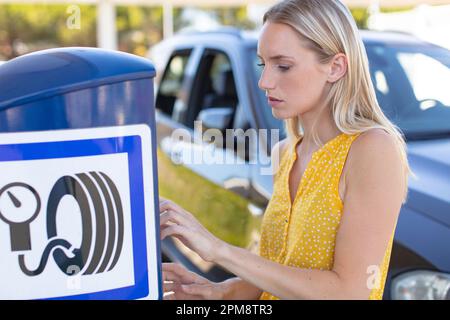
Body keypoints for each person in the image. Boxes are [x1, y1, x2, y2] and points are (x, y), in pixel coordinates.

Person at [160, 0, 410, 300]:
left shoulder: (372, 150)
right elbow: (274, 274)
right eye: (263, 64)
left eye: (283, 66)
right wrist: (215, 294)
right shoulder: (284, 153)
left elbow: (350, 291)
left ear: (335, 67)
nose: (265, 81)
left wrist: (218, 250)